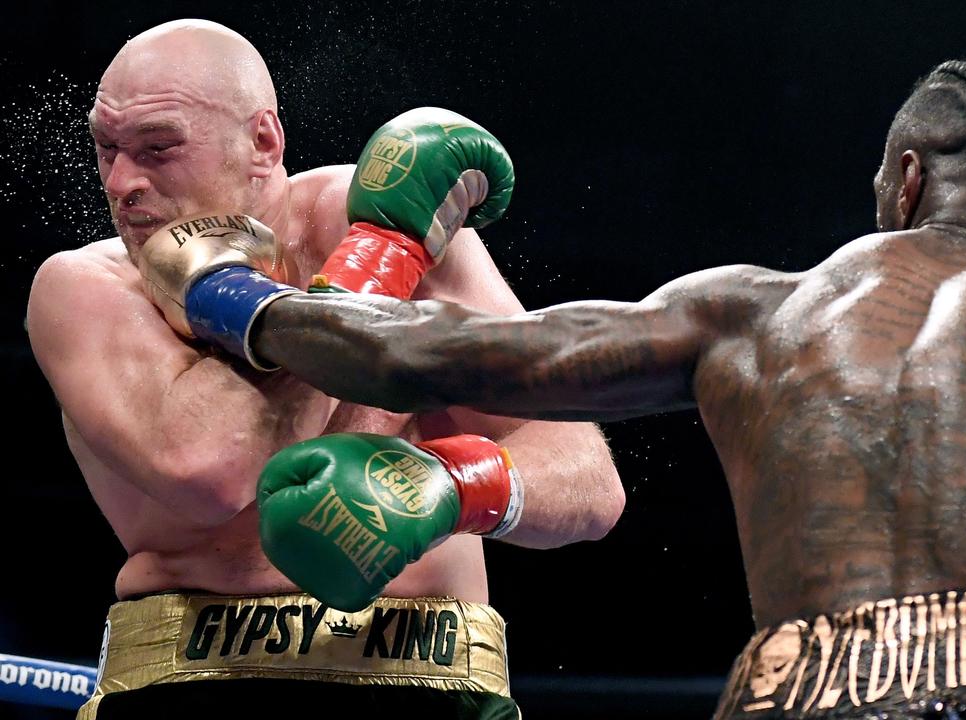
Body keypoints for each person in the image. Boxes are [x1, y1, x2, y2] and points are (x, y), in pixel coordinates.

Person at [149, 59, 966, 718]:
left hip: (806, 689)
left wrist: (234, 299)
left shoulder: (757, 307)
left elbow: (417, 356)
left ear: (904, 179)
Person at [25, 18, 623, 719]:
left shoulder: (363, 216)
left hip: (432, 676)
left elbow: (589, 477)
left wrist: (451, 486)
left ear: (262, 141)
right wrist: (375, 271)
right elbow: (210, 468)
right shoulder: (88, 287)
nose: (123, 182)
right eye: (106, 149)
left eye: (158, 149)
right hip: (195, 686)